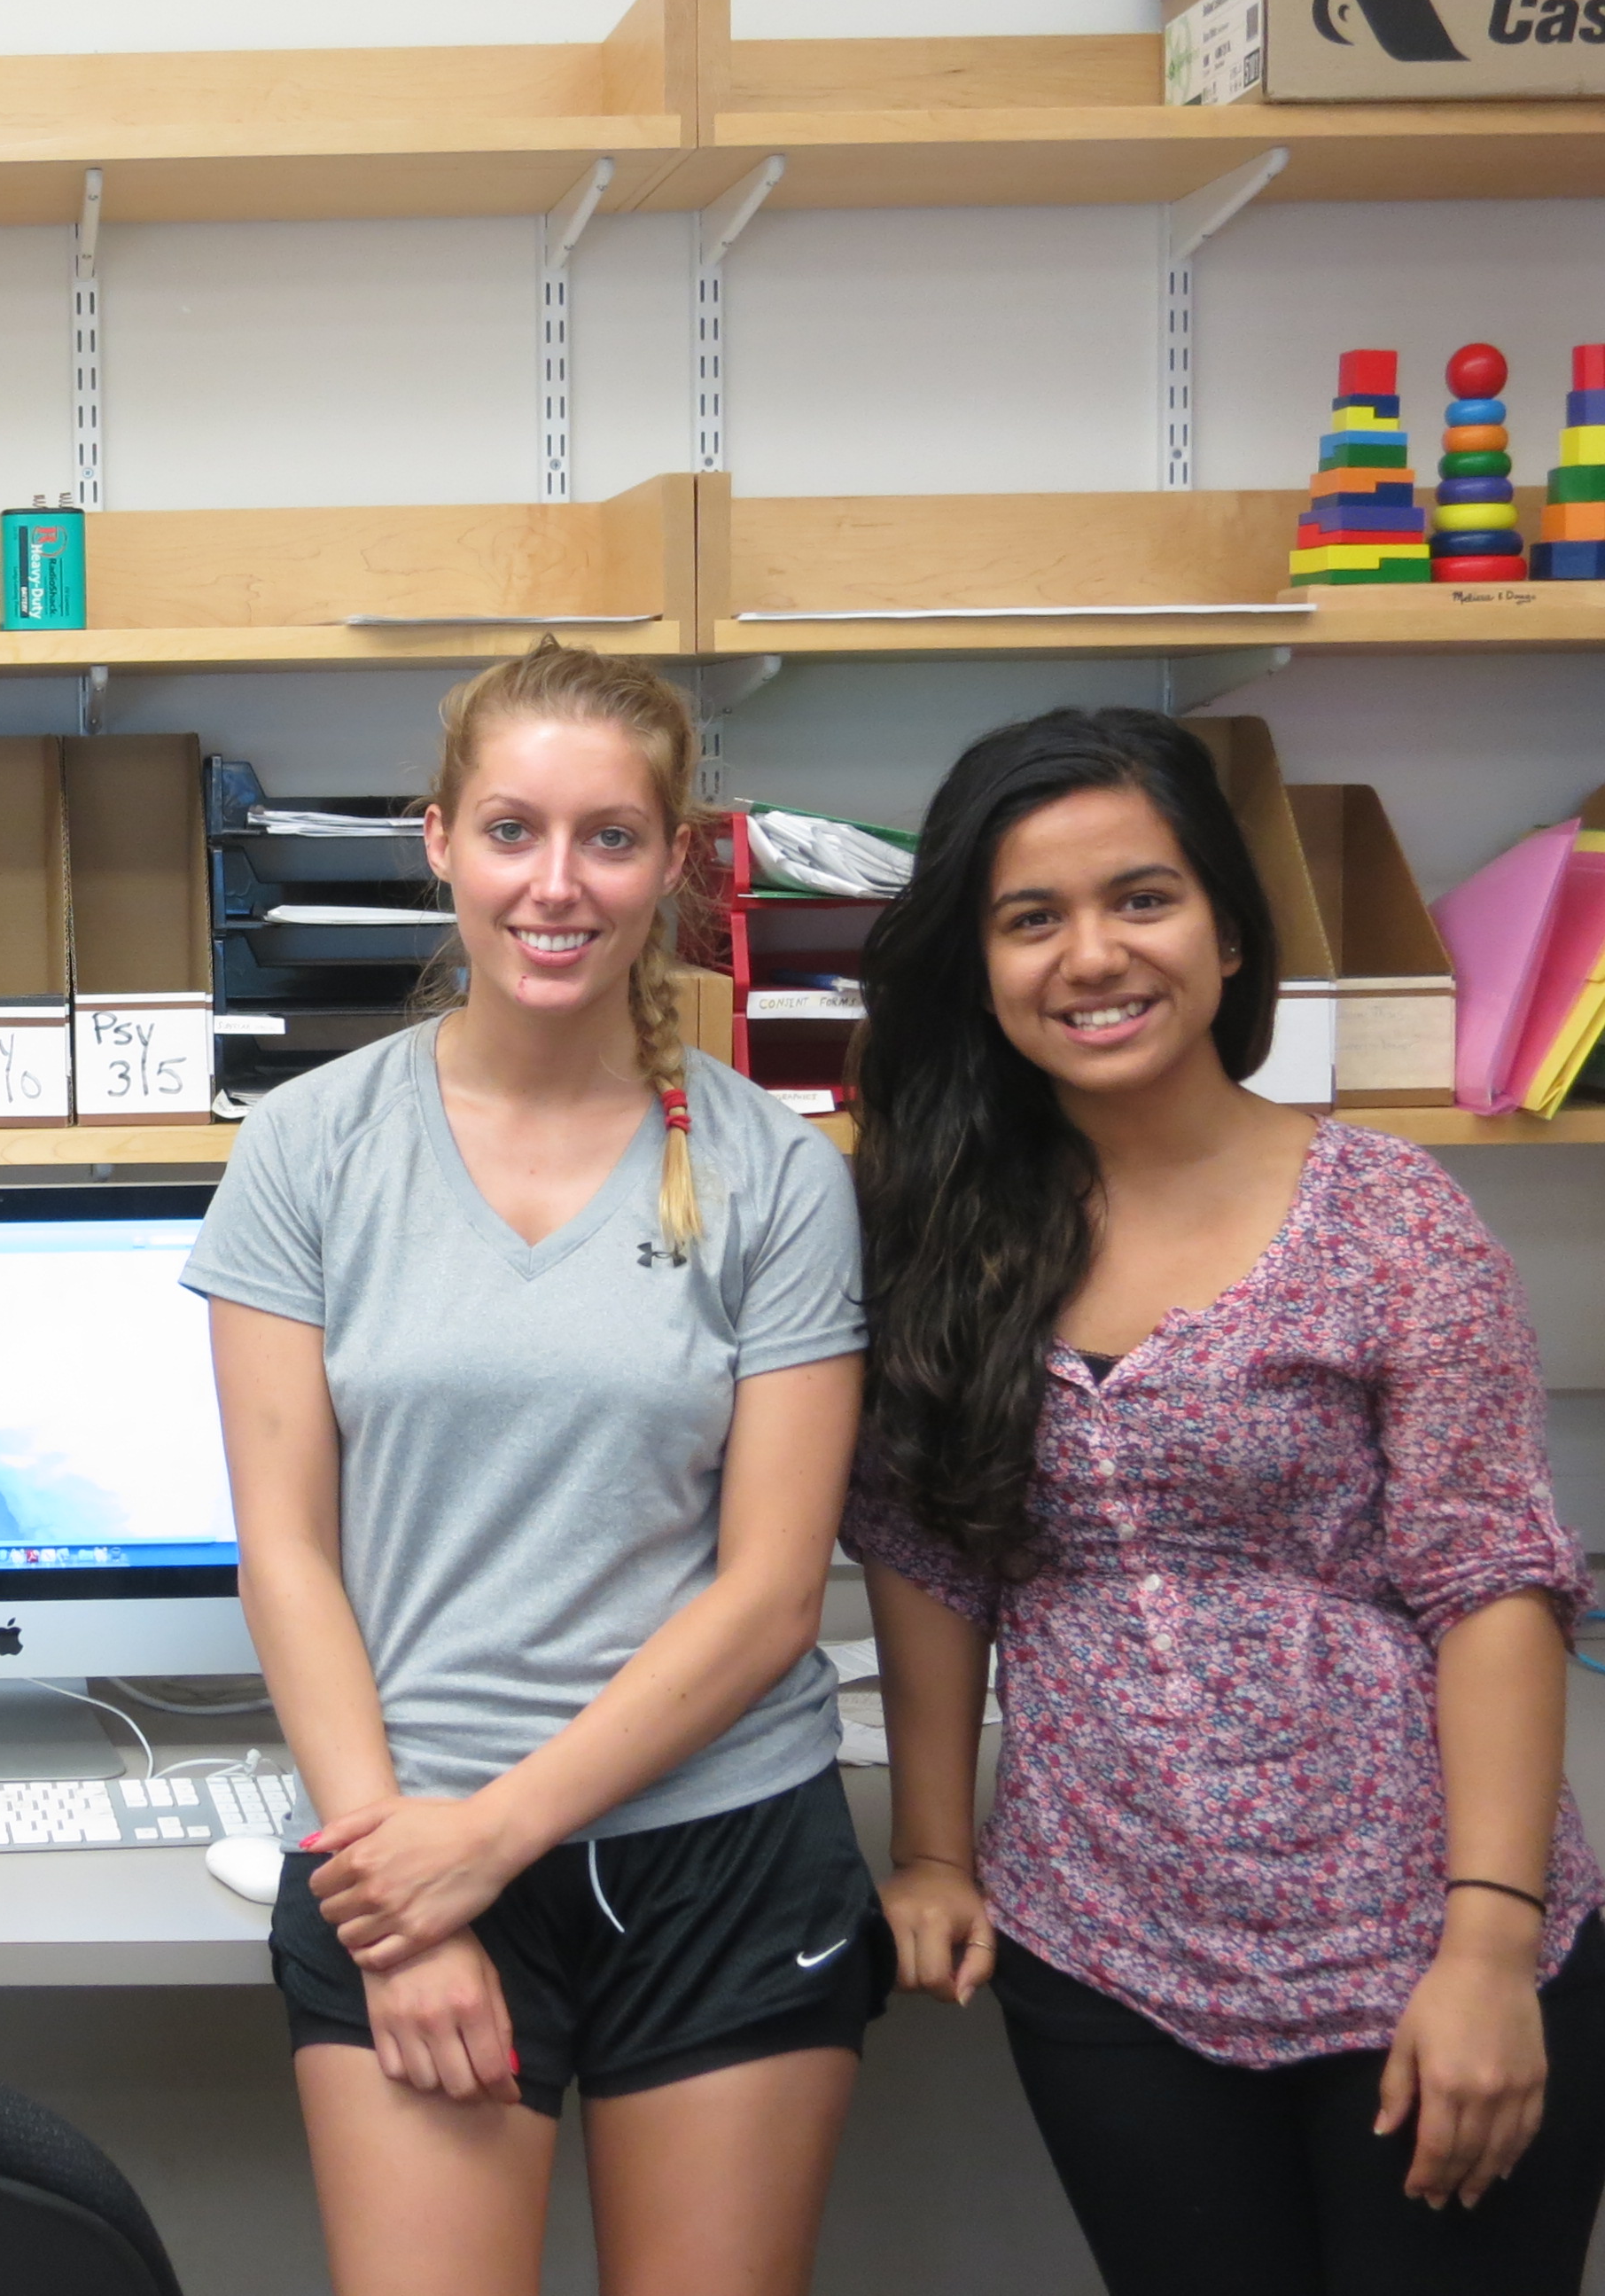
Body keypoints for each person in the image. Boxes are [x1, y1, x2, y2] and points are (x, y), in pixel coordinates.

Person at [843, 706, 1605, 2295]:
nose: (1093, 956)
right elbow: (928, 1552)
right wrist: (931, 1851)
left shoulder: (1393, 1218)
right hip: (1105, 1953)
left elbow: (1497, 1587)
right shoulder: (934, 1226)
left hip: (1416, 1941)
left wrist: (1486, 1949)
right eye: (1029, 919)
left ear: (1232, 934)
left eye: (1142, 898)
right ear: (977, 968)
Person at [187, 641, 878, 2296]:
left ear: (673, 864)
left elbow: (776, 1595)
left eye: (609, 838)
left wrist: (488, 1841)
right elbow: (287, 1553)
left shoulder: (779, 1173)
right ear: (438, 843)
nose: (555, 885)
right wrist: (409, 1886)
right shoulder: (308, 1148)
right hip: (397, 1842)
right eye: (512, 831)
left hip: (718, 1848)